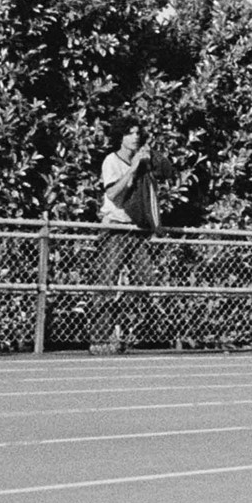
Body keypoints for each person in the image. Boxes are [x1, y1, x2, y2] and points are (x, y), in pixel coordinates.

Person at [90, 123, 164, 354]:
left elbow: (166, 172)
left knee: (147, 280)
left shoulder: (142, 162)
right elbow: (112, 193)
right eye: (129, 133)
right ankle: (100, 339)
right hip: (116, 228)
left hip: (137, 229)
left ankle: (132, 332)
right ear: (119, 137)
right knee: (107, 282)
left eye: (137, 133)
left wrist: (152, 157)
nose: (134, 137)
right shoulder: (111, 161)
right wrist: (132, 170)